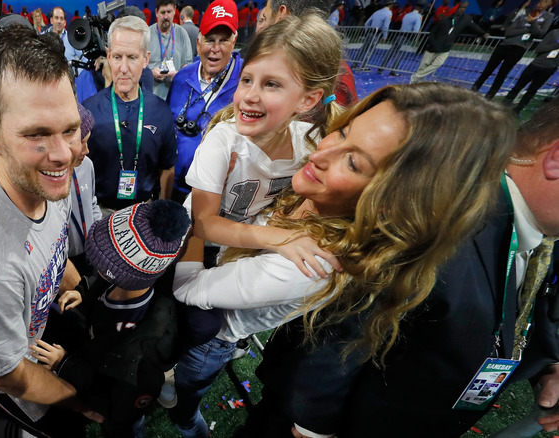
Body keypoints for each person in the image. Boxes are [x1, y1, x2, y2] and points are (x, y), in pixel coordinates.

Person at [172, 81, 504, 438]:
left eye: (353, 161)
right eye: (342, 131)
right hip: (216, 291)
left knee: (183, 397)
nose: (320, 154)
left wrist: (199, 215)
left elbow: (190, 289)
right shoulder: (315, 189)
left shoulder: (316, 262)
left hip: (210, 334)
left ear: (391, 202)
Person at [239, 86, 559, 438]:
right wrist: (312, 426)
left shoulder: (530, 230)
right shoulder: (440, 214)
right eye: (344, 135)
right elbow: (341, 329)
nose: (322, 152)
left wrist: (547, 364)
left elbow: (522, 306)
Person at [0, 26, 101, 437]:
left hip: (38, 326)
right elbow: (8, 378)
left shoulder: (40, 177)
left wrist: (83, 292)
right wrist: (81, 401)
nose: (64, 154)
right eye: (36, 135)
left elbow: (51, 248)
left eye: (69, 127)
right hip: (15, 383)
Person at [188, 13, 343, 274]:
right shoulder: (223, 141)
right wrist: (280, 238)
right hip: (202, 250)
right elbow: (203, 225)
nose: (249, 95)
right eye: (246, 79)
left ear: (307, 100)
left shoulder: (312, 143)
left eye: (271, 84)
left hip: (248, 252)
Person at [34, 200, 191, 438]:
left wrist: (64, 364)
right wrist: (83, 290)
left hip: (119, 399)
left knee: (123, 428)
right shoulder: (126, 281)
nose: (94, 263)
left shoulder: (142, 351)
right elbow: (104, 281)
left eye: (103, 262)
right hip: (95, 354)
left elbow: (114, 398)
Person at [83, 16, 178, 212]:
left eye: (132, 57)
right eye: (117, 57)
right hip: (100, 211)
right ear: (108, 56)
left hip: (145, 210)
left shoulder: (160, 111)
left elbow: (167, 167)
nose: (123, 68)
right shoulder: (89, 110)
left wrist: (163, 211)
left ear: (146, 59)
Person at [167, 0, 241, 203]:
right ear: (198, 43)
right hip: (176, 189)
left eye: (223, 40)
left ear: (234, 42)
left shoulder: (246, 81)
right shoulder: (182, 77)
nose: (215, 49)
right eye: (209, 40)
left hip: (218, 195)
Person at [256, 0, 359, 108]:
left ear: (282, 13)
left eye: (265, 18)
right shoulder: (339, 72)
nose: (261, 27)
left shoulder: (330, 85)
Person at [472, 0, 553, 99]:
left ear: (548, 6)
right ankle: (475, 88)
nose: (540, 5)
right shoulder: (524, 15)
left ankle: (491, 94)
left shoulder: (548, 16)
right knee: (488, 69)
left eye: (544, 3)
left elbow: (540, 33)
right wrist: (527, 29)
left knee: (502, 73)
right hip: (505, 45)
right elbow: (509, 32)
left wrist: (533, 23)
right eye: (540, 2)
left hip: (519, 49)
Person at [410, 2, 488, 83]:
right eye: (461, 7)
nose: (462, 9)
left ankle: (416, 76)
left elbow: (474, 27)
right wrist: (432, 42)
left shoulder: (466, 19)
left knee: (438, 64)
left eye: (464, 8)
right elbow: (433, 32)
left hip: (445, 48)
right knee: (424, 65)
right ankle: (416, 81)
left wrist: (483, 33)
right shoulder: (445, 19)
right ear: (457, 7)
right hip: (433, 46)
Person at [68, 103, 103, 275]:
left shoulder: (86, 164)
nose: (87, 150)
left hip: (91, 252)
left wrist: (97, 235)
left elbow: (92, 202)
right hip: (65, 261)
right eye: (82, 143)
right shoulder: (46, 180)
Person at [503, 28, 559, 114]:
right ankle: (505, 104)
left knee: (532, 90)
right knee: (519, 85)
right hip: (536, 64)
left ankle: (518, 110)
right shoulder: (554, 33)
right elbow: (539, 49)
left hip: (550, 68)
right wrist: (556, 45)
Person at [148, 0, 194, 99]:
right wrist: (151, 73)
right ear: (156, 12)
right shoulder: (147, 34)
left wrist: (178, 74)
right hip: (153, 97)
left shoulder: (182, 33)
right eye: (162, 12)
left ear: (174, 11)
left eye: (169, 12)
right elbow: (139, 66)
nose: (166, 16)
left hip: (177, 96)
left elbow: (188, 63)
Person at [379, 0, 425, 75]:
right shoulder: (419, 17)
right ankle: (393, 71)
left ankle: (381, 68)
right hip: (406, 37)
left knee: (391, 51)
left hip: (399, 34)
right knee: (399, 54)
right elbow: (416, 30)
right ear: (420, 9)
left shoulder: (407, 15)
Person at [354, 0, 393, 70]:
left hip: (370, 32)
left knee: (363, 48)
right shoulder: (389, 13)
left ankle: (355, 64)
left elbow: (366, 23)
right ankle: (363, 65)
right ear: (391, 5)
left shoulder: (377, 12)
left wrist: (367, 32)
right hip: (376, 34)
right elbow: (386, 26)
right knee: (370, 50)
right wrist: (385, 36)